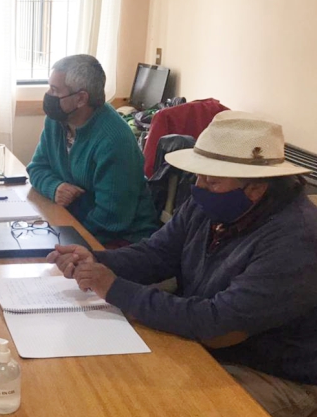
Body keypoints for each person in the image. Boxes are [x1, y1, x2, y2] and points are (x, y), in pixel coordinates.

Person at [47, 111, 317, 417]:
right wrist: (96, 259)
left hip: (274, 373)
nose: (198, 187)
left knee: (157, 406)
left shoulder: (296, 239)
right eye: (198, 176)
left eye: (211, 181)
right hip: (209, 343)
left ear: (256, 187)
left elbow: (218, 325)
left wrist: (114, 288)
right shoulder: (215, 202)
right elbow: (157, 254)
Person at [26, 54, 157, 247]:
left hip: (122, 242)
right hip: (75, 225)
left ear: (80, 98)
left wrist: (65, 240)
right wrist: (55, 188)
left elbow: (111, 219)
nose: (48, 95)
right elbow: (36, 168)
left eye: (55, 90)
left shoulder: (114, 140)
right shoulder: (56, 120)